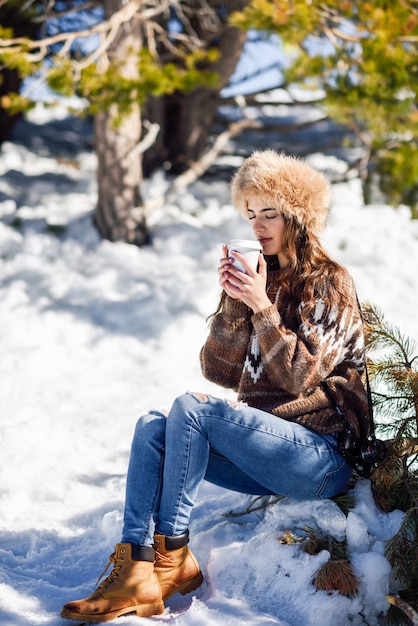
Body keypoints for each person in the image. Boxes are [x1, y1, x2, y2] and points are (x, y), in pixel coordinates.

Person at [60, 150, 370, 623]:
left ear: (298, 217)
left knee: (194, 408)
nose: (258, 225)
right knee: (152, 428)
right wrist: (233, 305)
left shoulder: (327, 282)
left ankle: (176, 554)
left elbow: (303, 377)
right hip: (269, 454)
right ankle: (137, 565)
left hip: (323, 459)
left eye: (270, 213)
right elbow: (218, 370)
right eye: (251, 214)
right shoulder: (264, 277)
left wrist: (262, 307)